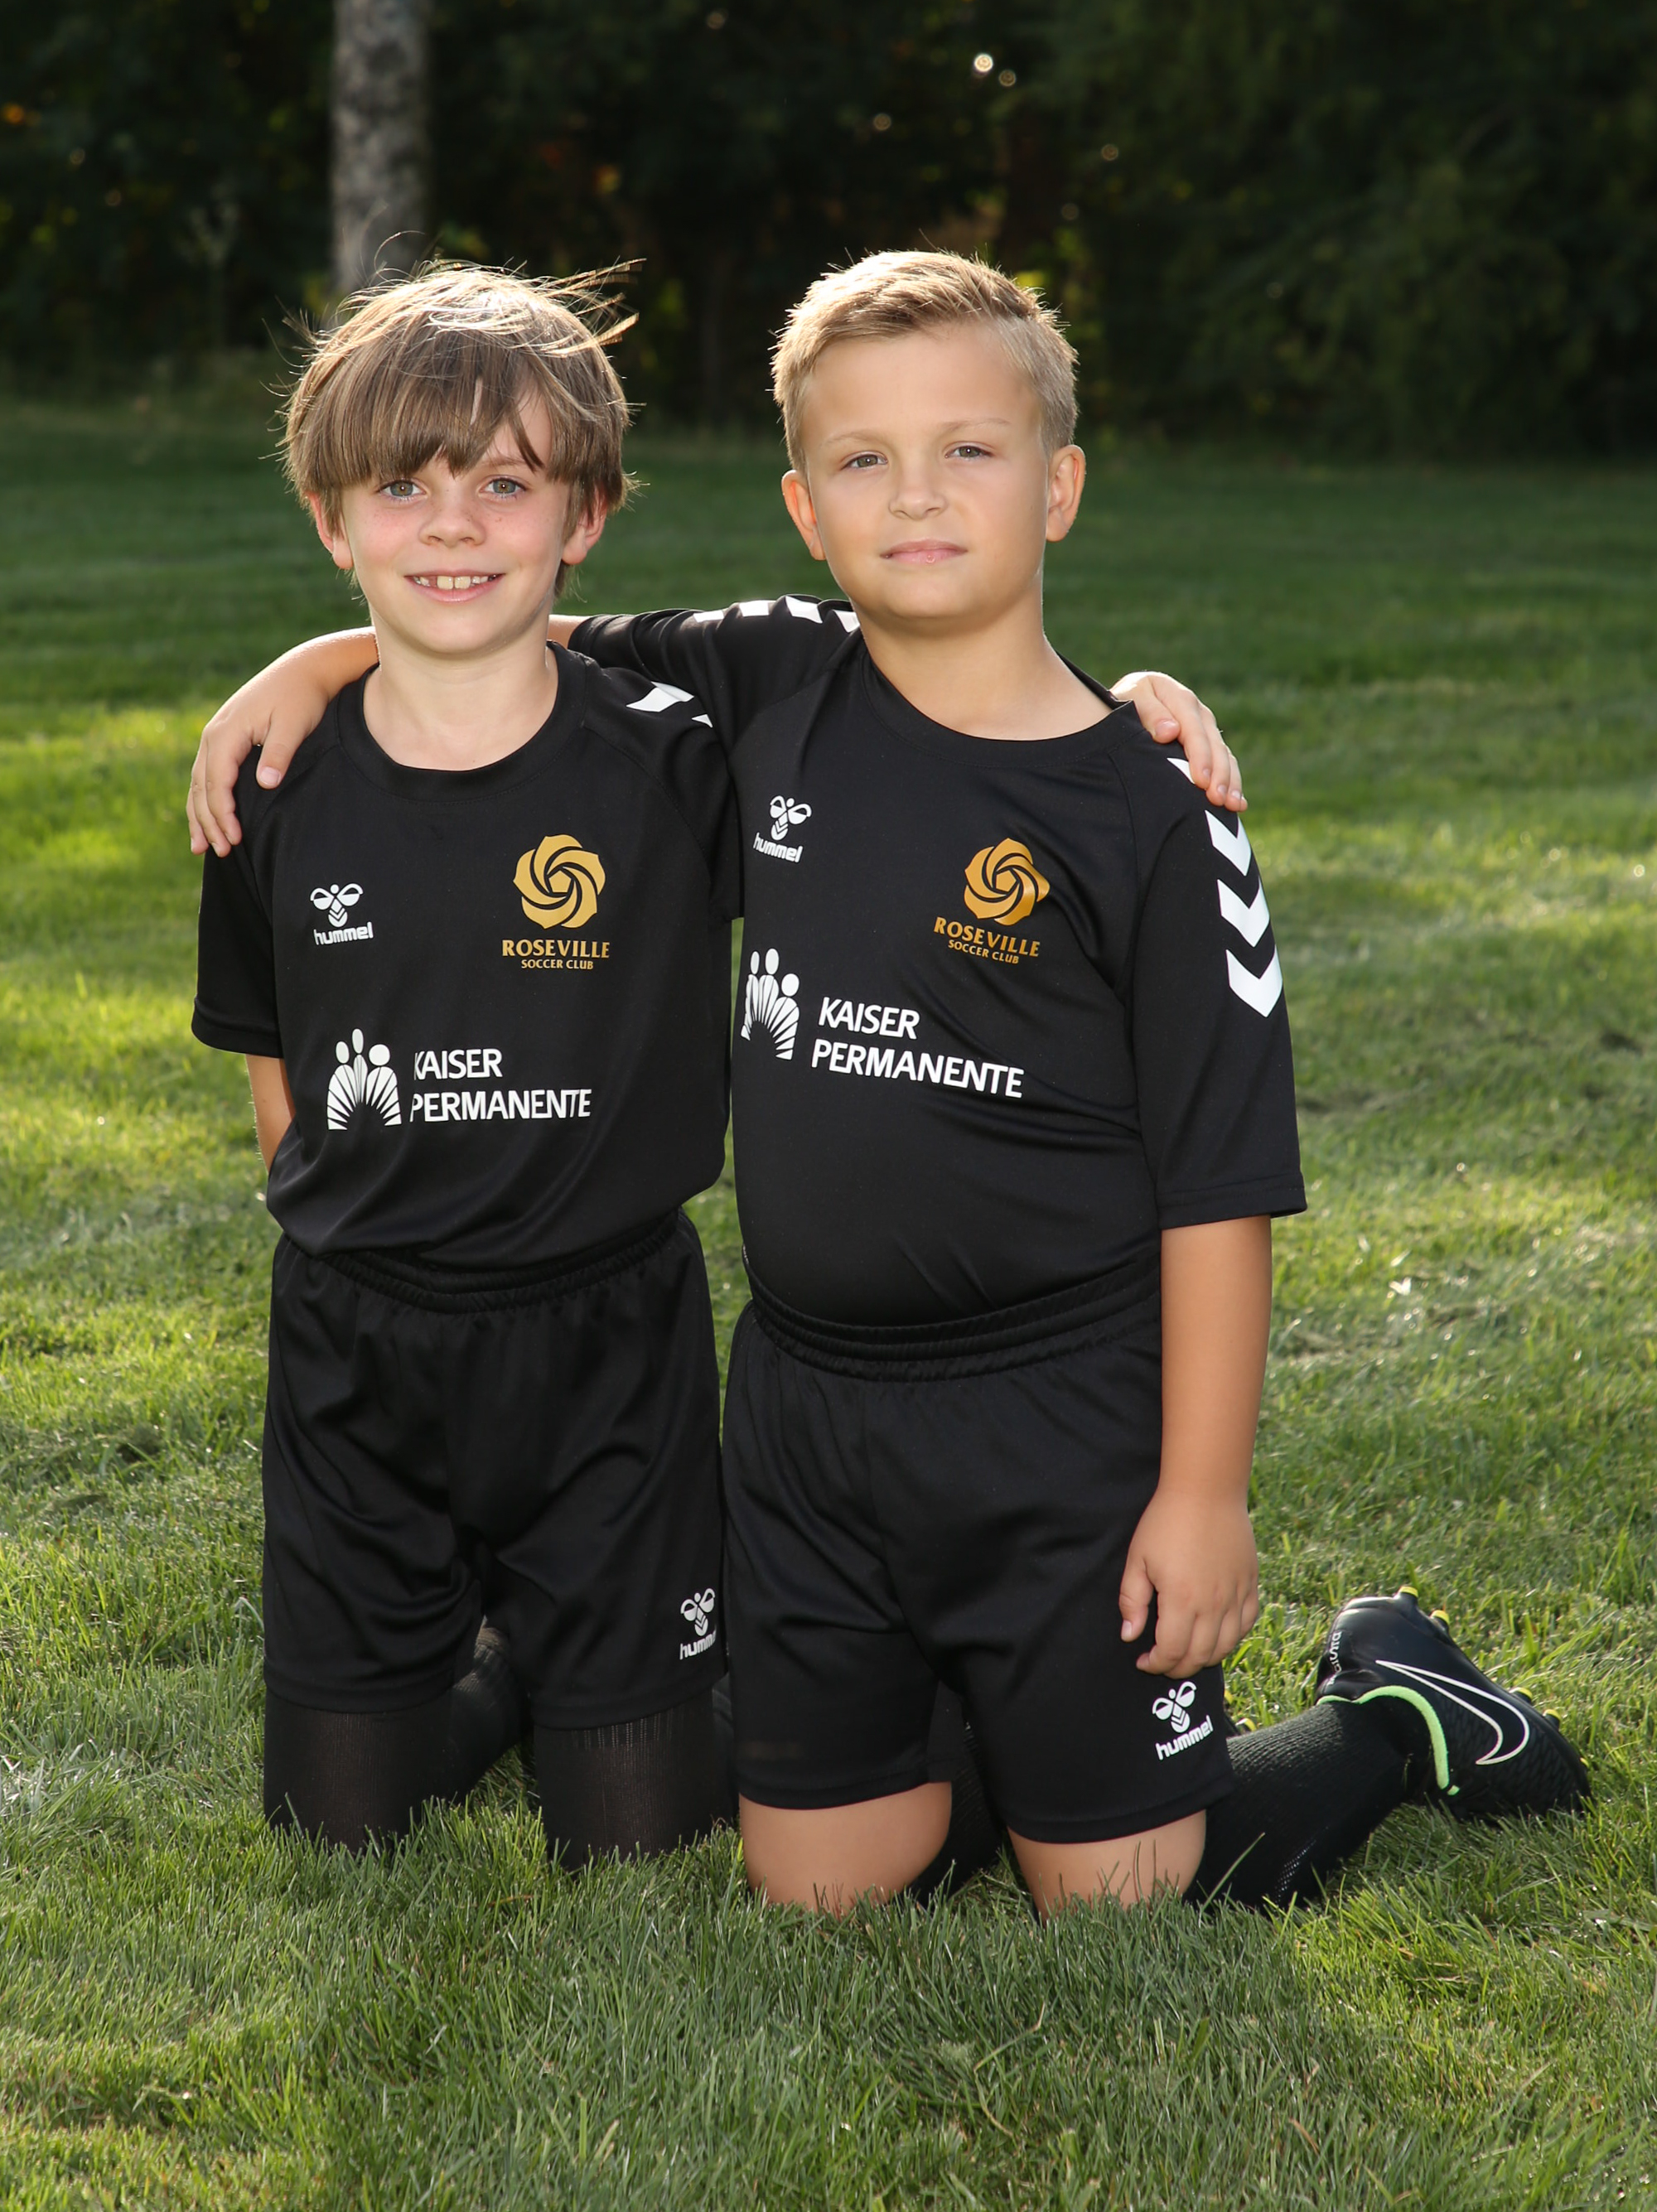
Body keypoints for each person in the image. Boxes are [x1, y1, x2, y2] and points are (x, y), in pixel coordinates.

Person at [190, 253, 1588, 1914]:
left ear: (1059, 485)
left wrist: (1203, 1496)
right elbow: (502, 622)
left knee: (1118, 1894)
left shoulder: (1148, 810)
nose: (915, 495)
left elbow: (1222, 1186)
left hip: (1051, 1411)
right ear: (804, 506)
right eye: (864, 459)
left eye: (968, 451)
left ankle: (1394, 1711)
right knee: (815, 1888)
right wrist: (311, 666)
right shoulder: (771, 680)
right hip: (808, 1410)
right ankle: (975, 1719)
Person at [192, 266, 743, 1863]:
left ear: (585, 515)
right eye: (402, 489)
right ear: (332, 521)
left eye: (503, 485)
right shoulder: (273, 783)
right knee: (337, 1826)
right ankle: (507, 1666)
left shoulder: (676, 760)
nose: (451, 525)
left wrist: (1128, 702)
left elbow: (927, 712)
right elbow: (276, 1060)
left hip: (608, 1340)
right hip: (360, 1349)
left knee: (635, 1841)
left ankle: (625, 1662)